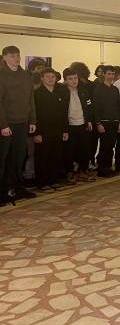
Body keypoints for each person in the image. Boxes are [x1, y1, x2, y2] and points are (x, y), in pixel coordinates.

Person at [0, 46, 37, 206]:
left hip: (22, 122)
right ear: (4, 58)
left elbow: (30, 99)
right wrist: (3, 124)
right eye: (12, 56)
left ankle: (17, 187)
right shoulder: (1, 75)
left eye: (17, 55)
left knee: (20, 157)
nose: (16, 58)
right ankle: (2, 192)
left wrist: (33, 120)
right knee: (3, 159)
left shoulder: (26, 75)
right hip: (6, 124)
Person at [32, 68, 69, 189]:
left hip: (58, 130)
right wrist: (36, 133)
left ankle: (53, 180)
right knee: (42, 157)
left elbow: (64, 113)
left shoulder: (59, 92)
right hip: (43, 131)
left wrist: (65, 130)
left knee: (55, 156)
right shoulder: (37, 94)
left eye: (52, 77)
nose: (50, 79)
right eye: (47, 77)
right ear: (42, 78)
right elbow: (34, 114)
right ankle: (42, 183)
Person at [63, 68, 95, 183]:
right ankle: (69, 173)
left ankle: (83, 171)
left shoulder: (83, 91)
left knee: (85, 150)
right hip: (69, 126)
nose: (74, 81)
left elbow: (88, 107)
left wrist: (89, 121)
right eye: (70, 79)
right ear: (65, 80)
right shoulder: (62, 92)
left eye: (75, 78)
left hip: (83, 124)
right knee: (69, 151)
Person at [92, 65, 120, 177]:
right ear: (104, 74)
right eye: (109, 74)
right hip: (103, 123)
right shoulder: (98, 89)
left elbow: (117, 106)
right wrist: (98, 123)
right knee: (104, 146)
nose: (111, 76)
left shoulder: (115, 89)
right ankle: (102, 169)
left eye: (113, 74)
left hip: (114, 122)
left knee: (111, 146)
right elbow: (96, 107)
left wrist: (119, 122)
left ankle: (108, 167)